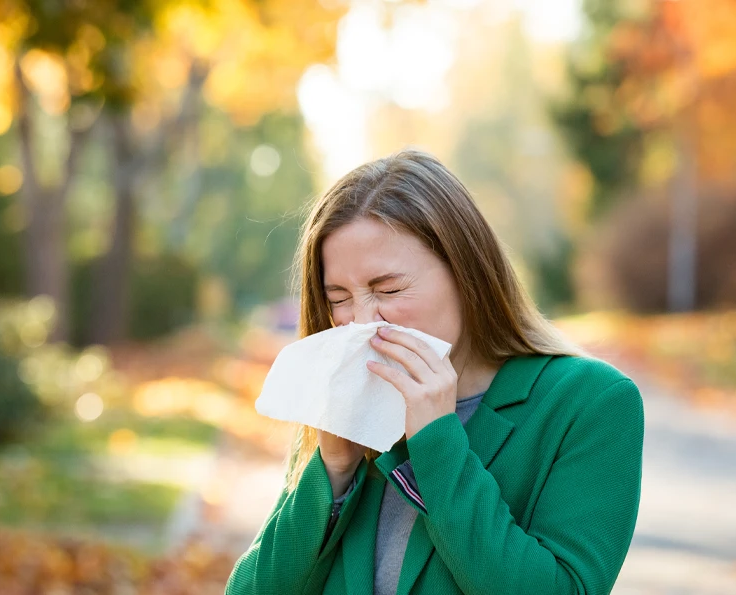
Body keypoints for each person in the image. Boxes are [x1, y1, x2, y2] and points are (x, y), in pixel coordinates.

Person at [225, 149, 645, 595]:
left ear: (467, 275)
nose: (362, 321)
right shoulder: (344, 413)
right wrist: (333, 471)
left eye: (388, 289)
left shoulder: (591, 403)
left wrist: (439, 445)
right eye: (339, 299)